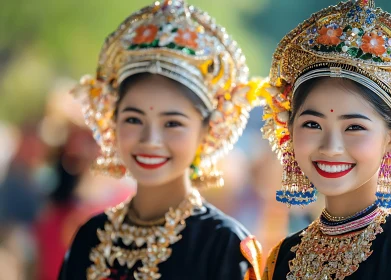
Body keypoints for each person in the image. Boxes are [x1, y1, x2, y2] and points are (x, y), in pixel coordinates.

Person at [258, 0, 391, 279]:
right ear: (289, 128)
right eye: (312, 124)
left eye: (353, 127)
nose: (331, 147)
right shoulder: (282, 257)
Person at [59, 0, 263, 279]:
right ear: (112, 122)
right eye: (133, 119)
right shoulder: (90, 235)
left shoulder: (222, 243)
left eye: (172, 124)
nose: (151, 140)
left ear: (207, 131)